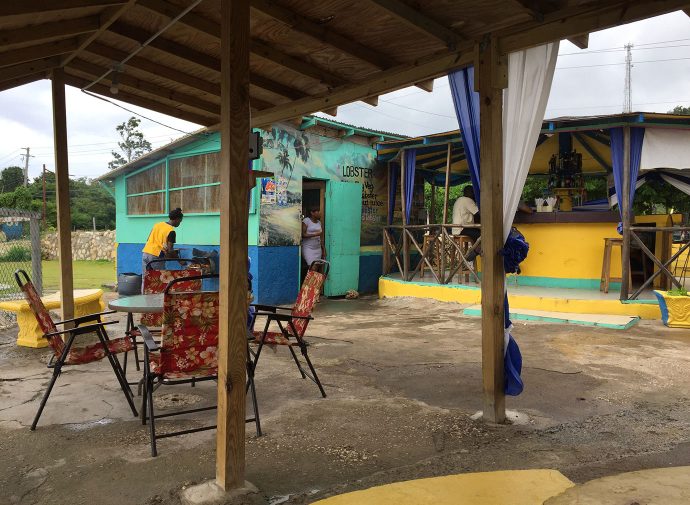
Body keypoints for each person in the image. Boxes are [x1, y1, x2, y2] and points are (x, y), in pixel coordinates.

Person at [141, 207, 184, 276]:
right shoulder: (171, 231)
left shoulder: (157, 225)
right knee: (160, 278)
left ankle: (144, 287)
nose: (180, 223)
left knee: (146, 278)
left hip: (146, 253)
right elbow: (170, 250)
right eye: (180, 221)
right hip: (156, 256)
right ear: (177, 219)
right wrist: (180, 260)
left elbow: (149, 239)